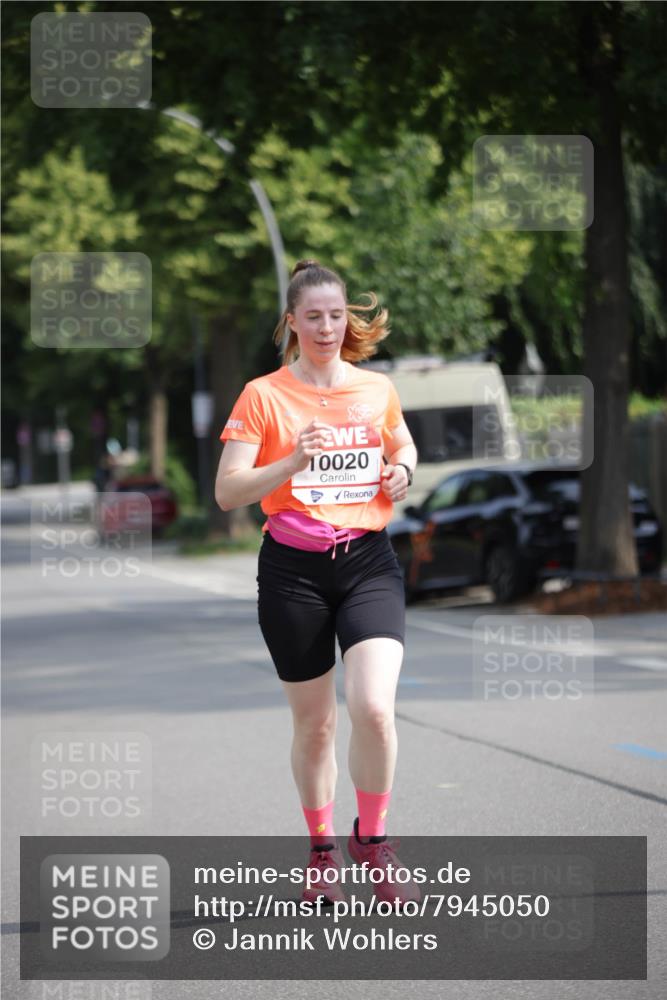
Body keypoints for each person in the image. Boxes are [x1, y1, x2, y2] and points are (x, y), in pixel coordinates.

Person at [215, 259, 420, 907]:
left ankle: (373, 839)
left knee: (374, 709)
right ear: (292, 323)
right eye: (314, 317)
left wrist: (402, 472)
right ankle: (322, 851)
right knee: (316, 726)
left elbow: (403, 446)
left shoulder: (376, 389)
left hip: (366, 562)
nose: (327, 327)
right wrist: (293, 459)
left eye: (336, 315)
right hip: (292, 572)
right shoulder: (262, 395)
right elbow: (227, 492)